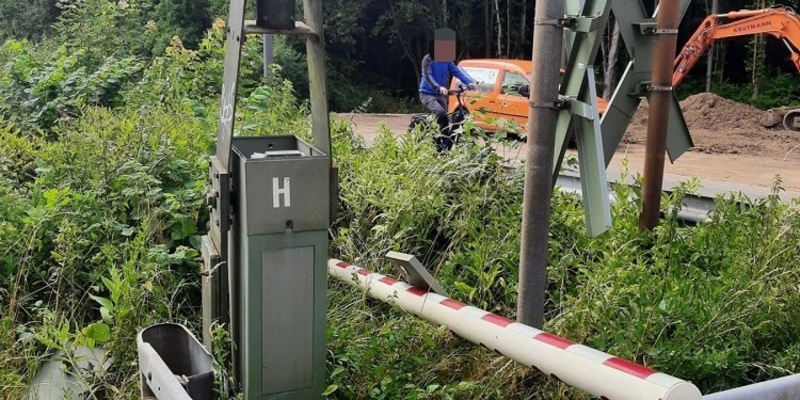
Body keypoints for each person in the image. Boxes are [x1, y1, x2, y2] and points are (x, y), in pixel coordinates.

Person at [418, 28, 478, 152]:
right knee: (440, 113)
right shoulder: (428, 59)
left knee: (445, 119)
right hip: (427, 94)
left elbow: (457, 71)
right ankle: (433, 138)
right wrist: (438, 87)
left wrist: (470, 82)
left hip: (441, 95)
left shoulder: (447, 60)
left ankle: (443, 146)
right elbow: (427, 75)